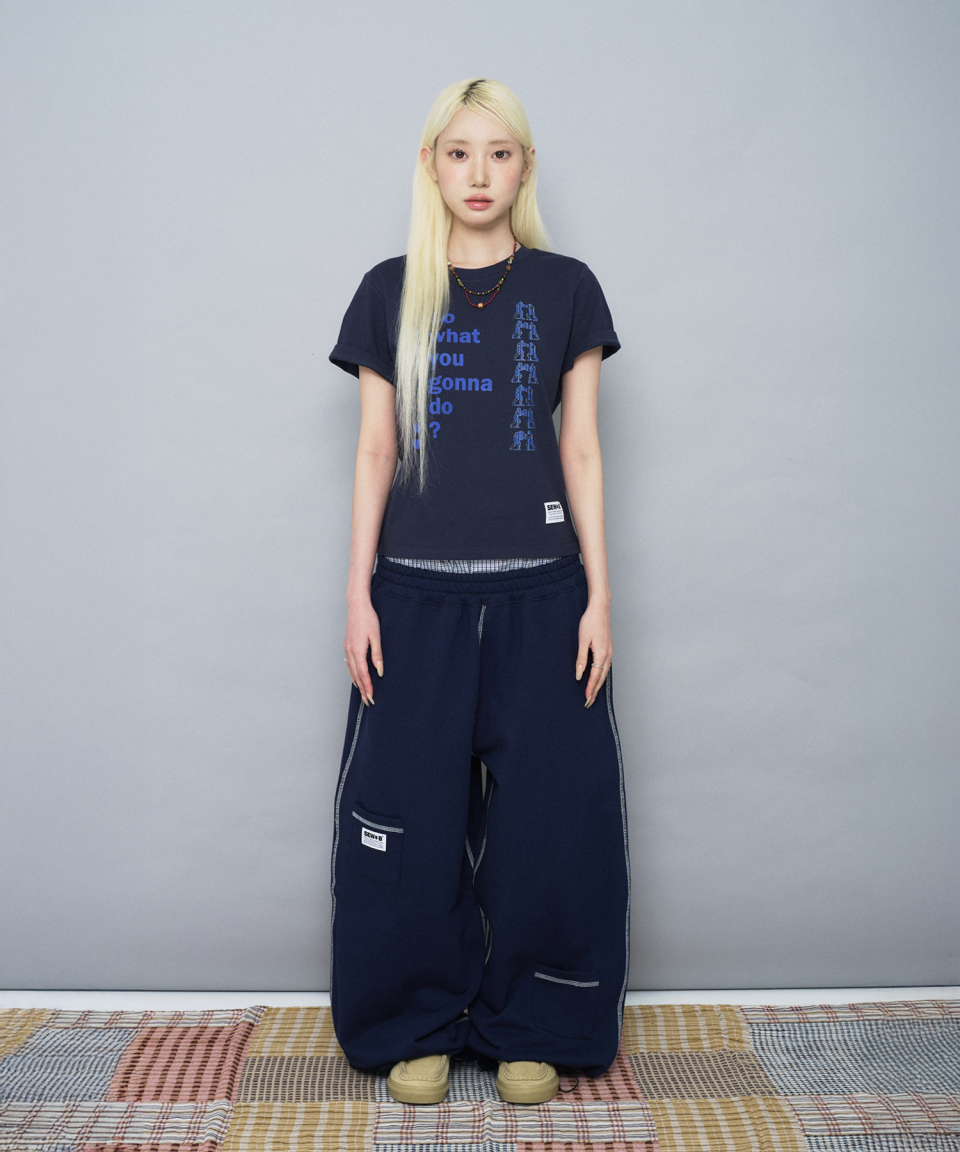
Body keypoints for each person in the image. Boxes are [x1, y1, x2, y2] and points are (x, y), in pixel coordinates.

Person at [328, 78, 630, 1106]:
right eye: (459, 153)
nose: (479, 174)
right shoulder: (388, 292)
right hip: (414, 600)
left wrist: (600, 597)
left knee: (552, 821)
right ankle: (415, 1021)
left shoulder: (566, 288)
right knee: (406, 819)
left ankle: (532, 1023)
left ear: (525, 168)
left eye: (499, 154)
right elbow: (376, 450)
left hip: (544, 597)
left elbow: (581, 449)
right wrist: (358, 594)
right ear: (431, 166)